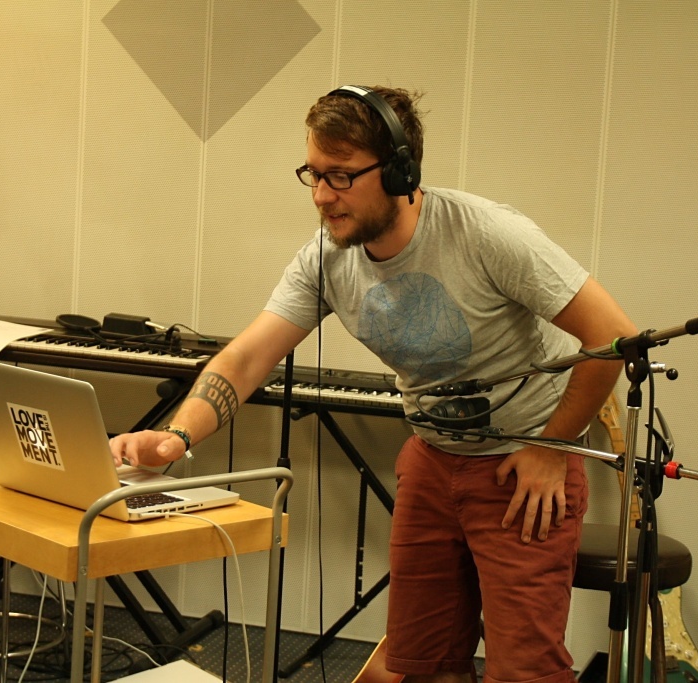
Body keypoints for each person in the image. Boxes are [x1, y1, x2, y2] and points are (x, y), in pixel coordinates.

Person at [110, 85, 637, 683]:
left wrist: (551, 448)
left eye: (339, 176)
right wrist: (175, 438)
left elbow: (614, 336)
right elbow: (247, 359)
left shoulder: (487, 234)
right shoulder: (326, 258)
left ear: (398, 171)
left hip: (523, 470)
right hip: (432, 462)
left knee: (524, 672)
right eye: (313, 174)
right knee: (422, 666)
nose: (321, 196)